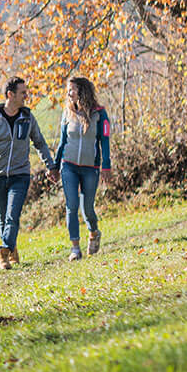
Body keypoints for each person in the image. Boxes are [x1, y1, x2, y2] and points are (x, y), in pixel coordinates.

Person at [0, 77, 56, 270]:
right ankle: (12, 248)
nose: (26, 96)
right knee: (3, 217)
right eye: (22, 93)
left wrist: (50, 166)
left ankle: (3, 251)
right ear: (10, 95)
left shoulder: (27, 118)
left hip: (20, 175)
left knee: (12, 215)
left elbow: (40, 143)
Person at [53, 76, 112, 260]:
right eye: (68, 90)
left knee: (87, 208)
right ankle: (75, 249)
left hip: (90, 167)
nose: (68, 93)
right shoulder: (67, 113)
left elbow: (105, 142)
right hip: (68, 165)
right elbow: (62, 142)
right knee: (71, 206)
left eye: (72, 89)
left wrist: (106, 167)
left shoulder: (99, 114)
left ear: (82, 91)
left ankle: (94, 232)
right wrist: (55, 165)